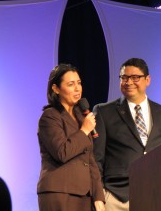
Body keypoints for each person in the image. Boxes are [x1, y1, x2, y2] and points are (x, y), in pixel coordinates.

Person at [93, 58, 161, 211]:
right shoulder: (104, 112)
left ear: (147, 80)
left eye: (135, 78)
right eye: (124, 77)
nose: (128, 82)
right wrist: (99, 196)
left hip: (156, 194)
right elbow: (96, 159)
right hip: (117, 196)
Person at [37, 63, 105, 211]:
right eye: (70, 84)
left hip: (84, 195)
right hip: (59, 193)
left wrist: (99, 195)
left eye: (79, 83)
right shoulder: (50, 117)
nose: (77, 88)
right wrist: (84, 131)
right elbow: (62, 152)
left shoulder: (81, 117)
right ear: (56, 89)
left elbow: (90, 160)